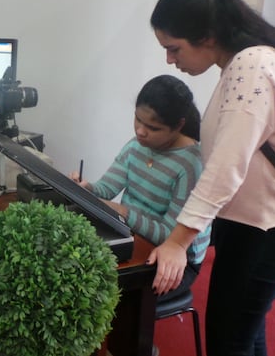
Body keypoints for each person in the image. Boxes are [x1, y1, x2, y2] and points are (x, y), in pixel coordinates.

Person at [148, 0, 275, 356]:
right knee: (244, 334)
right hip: (258, 226)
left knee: (229, 341)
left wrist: (179, 242)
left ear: (207, 36)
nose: (170, 61)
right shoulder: (248, 61)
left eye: (173, 48)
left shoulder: (252, 65)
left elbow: (225, 167)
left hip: (267, 231)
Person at [69, 74, 210, 303]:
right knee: (75, 269)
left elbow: (171, 236)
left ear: (179, 126)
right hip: (133, 236)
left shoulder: (191, 165)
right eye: (137, 120)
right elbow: (107, 189)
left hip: (176, 260)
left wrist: (124, 213)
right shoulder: (137, 145)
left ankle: (134, 339)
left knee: (99, 295)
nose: (141, 131)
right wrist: (87, 189)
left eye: (153, 127)